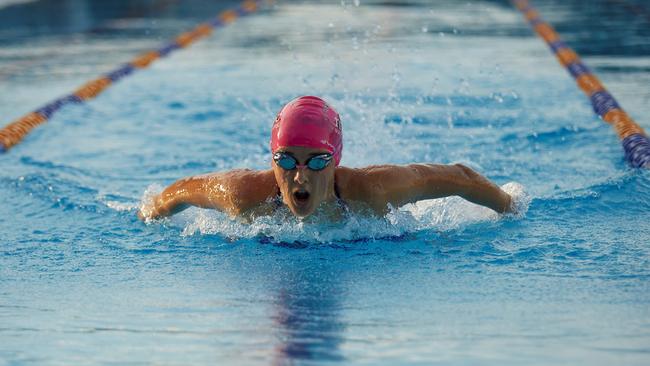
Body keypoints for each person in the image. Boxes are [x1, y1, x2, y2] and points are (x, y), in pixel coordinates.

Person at [138, 96, 513, 221]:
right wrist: (150, 211)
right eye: (286, 160)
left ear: (334, 160)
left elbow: (460, 177)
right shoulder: (243, 195)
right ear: (271, 160)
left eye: (315, 161)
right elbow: (185, 190)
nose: (299, 176)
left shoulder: (373, 191)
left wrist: (510, 207)